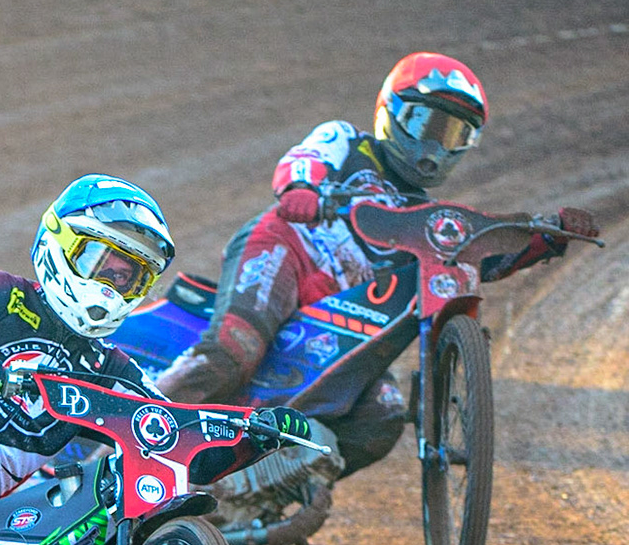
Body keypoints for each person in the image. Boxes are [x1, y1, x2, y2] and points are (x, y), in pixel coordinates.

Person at [155, 52, 599, 473]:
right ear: (392, 111)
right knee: (235, 350)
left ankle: (274, 488)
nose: (435, 144)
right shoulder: (346, 142)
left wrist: (546, 239)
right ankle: (136, 437)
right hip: (288, 251)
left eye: (453, 135)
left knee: (381, 417)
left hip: (347, 313)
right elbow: (303, 161)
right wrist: (302, 188)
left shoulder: (427, 219)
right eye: (426, 123)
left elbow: (479, 258)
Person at [0, 175, 251, 545]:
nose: (109, 285)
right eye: (98, 261)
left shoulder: (108, 367)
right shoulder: (0, 292)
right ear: (60, 244)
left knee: (89, 544)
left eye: (125, 277)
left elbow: (172, 430)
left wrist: (251, 434)